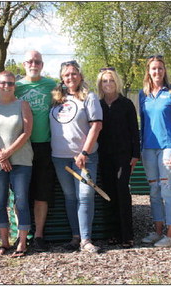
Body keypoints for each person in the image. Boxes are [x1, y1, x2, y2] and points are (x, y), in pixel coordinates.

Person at [50, 60, 103, 253]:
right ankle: (76, 237)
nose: (70, 77)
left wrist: (84, 152)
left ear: (79, 76)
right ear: (62, 78)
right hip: (60, 157)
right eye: (66, 75)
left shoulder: (89, 97)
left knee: (85, 195)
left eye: (73, 73)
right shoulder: (57, 98)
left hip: (84, 158)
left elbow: (96, 125)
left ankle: (86, 240)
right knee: (70, 197)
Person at [0, 71, 33, 258]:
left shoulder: (22, 105)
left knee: (21, 201)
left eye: (11, 83)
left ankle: (22, 242)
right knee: (0, 202)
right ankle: (5, 241)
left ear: (15, 85)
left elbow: (27, 132)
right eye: (3, 83)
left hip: (21, 160)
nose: (7, 86)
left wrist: (8, 153)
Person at [139, 55, 171, 248]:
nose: (157, 72)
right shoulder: (143, 94)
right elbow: (143, 122)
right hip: (149, 149)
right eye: (153, 68)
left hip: (168, 148)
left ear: (164, 71)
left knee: (167, 191)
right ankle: (157, 231)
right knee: (154, 191)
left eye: (160, 68)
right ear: (148, 71)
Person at [15, 50, 57, 252]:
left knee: (42, 192)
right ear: (24, 64)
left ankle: (38, 235)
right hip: (20, 146)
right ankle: (21, 235)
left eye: (38, 61)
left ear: (42, 64)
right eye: (30, 61)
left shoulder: (51, 85)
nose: (34, 64)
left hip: (44, 146)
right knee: (20, 194)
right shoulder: (15, 87)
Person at [96, 67, 140, 249]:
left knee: (122, 191)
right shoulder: (97, 105)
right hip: (104, 156)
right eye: (104, 81)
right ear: (100, 84)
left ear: (117, 83)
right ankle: (113, 233)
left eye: (111, 80)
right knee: (109, 194)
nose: (108, 84)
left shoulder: (126, 104)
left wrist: (135, 155)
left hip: (123, 156)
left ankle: (127, 235)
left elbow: (134, 131)